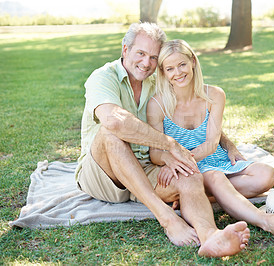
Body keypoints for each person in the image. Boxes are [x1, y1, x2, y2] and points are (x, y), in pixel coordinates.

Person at [75, 22, 251, 258]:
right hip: (103, 175)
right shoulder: (103, 77)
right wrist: (170, 144)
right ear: (125, 49)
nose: (146, 63)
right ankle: (168, 219)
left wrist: (226, 144)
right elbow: (114, 121)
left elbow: (202, 117)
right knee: (110, 133)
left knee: (190, 174)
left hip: (145, 168)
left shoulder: (157, 81)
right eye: (140, 53)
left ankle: (210, 236)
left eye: (153, 57)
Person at [147, 39, 274, 238]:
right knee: (215, 177)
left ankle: (203, 196)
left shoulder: (215, 95)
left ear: (193, 61)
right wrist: (172, 160)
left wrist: (228, 147)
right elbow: (155, 152)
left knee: (268, 175)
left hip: (215, 159)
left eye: (182, 64)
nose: (178, 73)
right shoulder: (157, 104)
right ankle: (265, 220)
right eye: (170, 68)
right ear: (163, 72)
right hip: (189, 171)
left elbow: (211, 144)